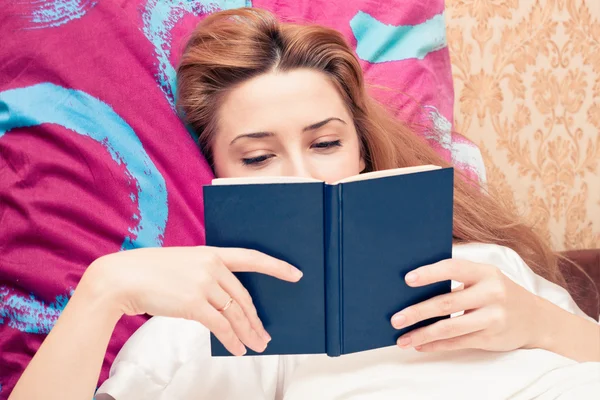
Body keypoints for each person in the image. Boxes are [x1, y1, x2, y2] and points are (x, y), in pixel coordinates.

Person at [9, 8, 600, 400]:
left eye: (325, 143)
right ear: (214, 175)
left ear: (362, 152)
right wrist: (105, 287)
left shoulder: (492, 268)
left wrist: (539, 321)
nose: (301, 174)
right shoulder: (194, 336)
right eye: (258, 157)